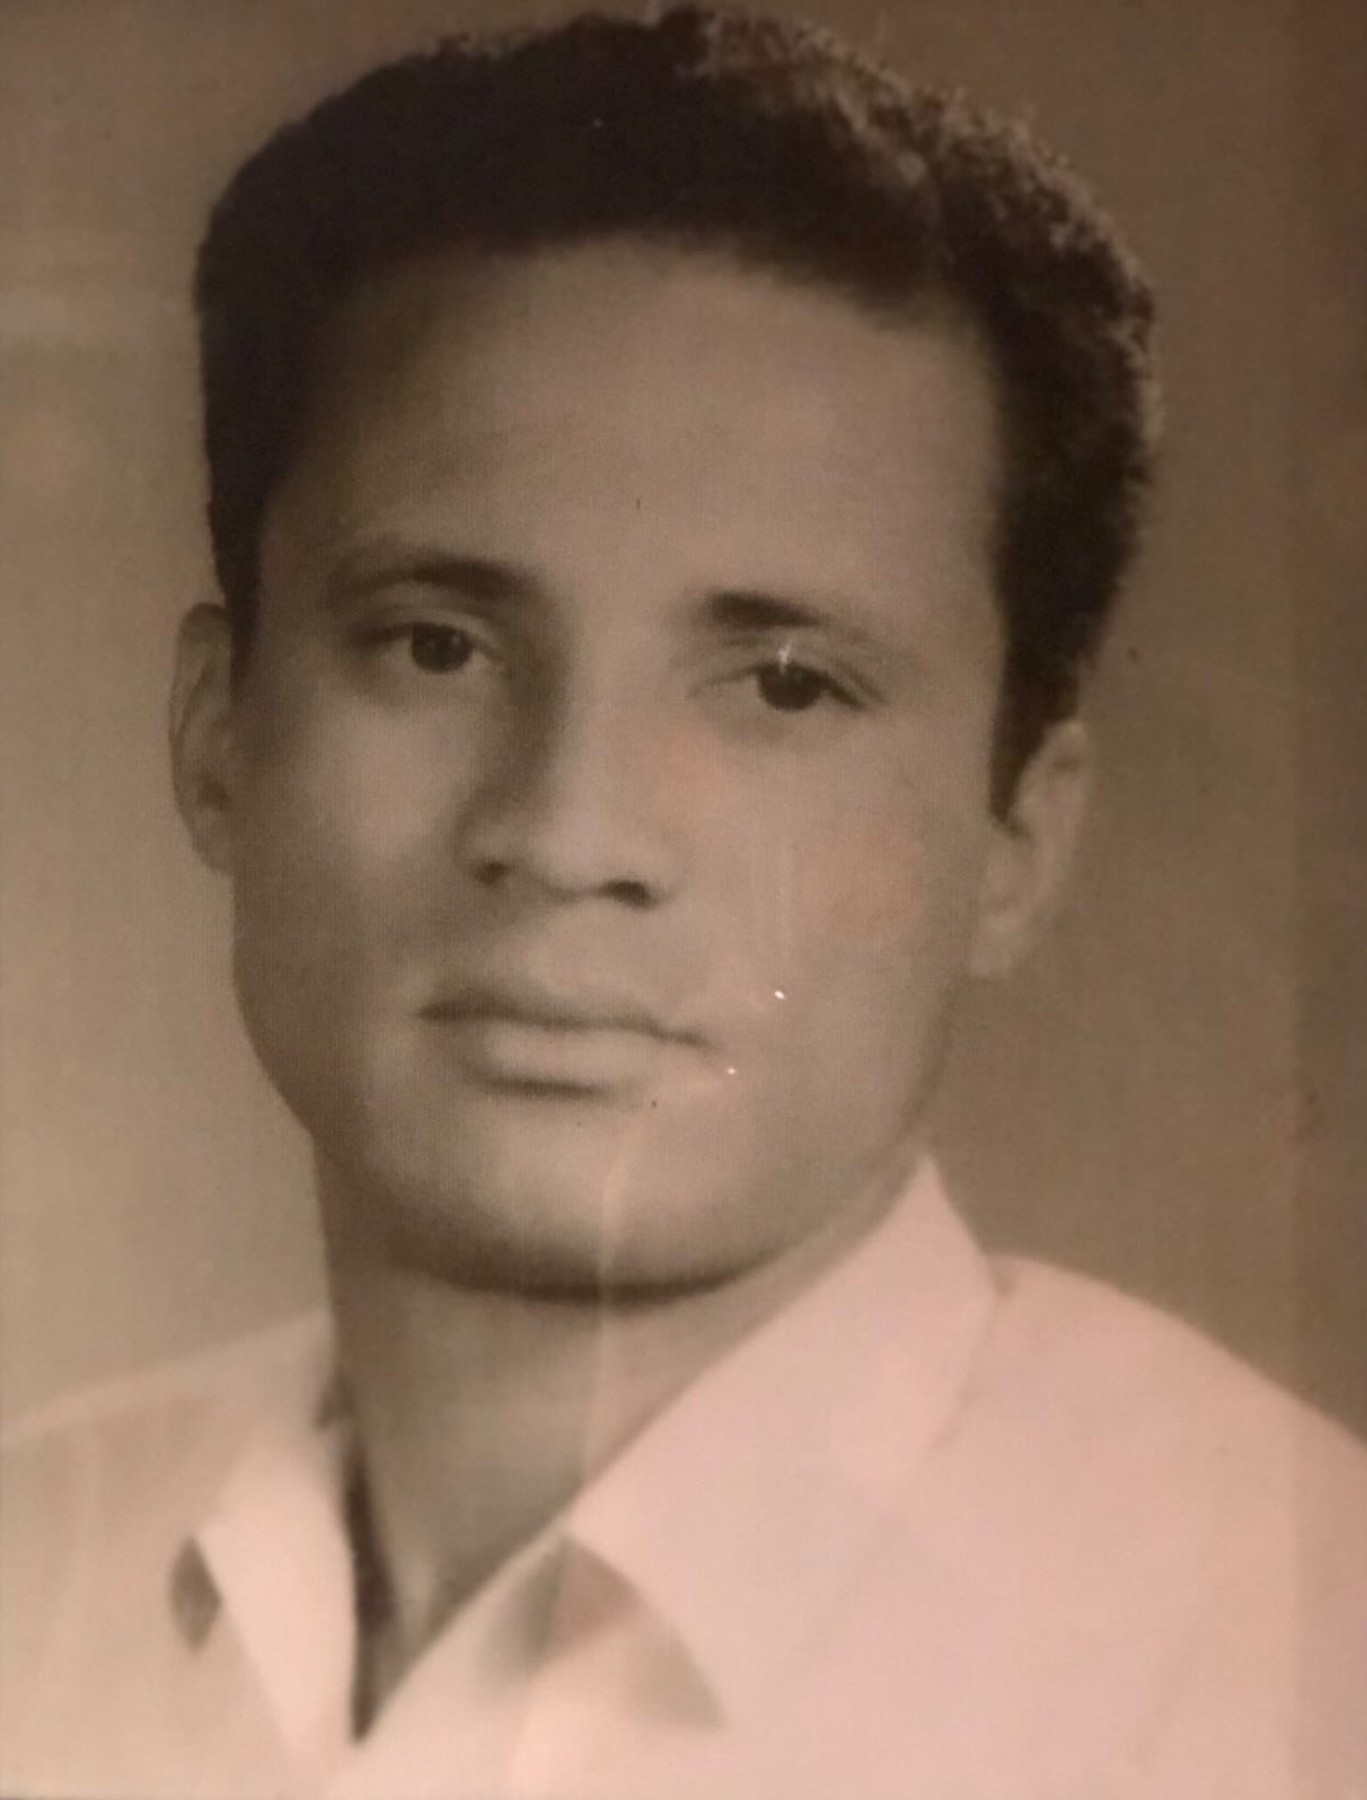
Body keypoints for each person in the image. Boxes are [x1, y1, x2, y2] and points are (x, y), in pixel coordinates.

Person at [2, 8, 1364, 1797]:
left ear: (1018, 842)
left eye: (786, 686)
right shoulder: (33, 1569)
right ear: (214, 740)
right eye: (436, 645)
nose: (570, 831)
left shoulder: (1285, 1664)